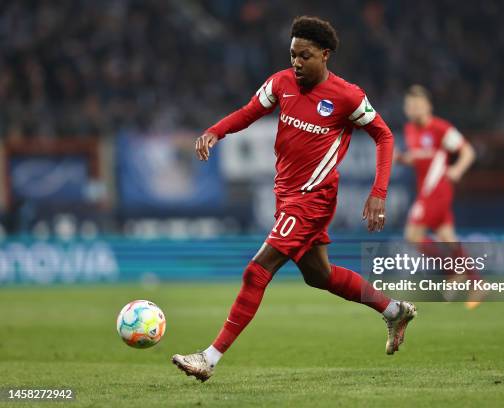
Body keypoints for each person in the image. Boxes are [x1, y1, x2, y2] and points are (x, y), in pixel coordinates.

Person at [172, 16, 416, 382]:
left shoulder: (347, 96)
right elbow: (248, 113)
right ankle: (394, 310)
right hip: (286, 197)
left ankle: (209, 357)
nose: (297, 63)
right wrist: (215, 131)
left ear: (325, 54)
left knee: (256, 271)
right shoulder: (280, 83)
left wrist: (378, 191)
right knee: (320, 276)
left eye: (304, 56)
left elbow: (384, 136)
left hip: (313, 200)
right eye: (292, 55)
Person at [394, 85, 480, 308]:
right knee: (448, 236)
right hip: (425, 189)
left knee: (412, 235)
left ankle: (453, 272)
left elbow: (468, 151)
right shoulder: (410, 129)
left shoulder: (441, 128)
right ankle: (476, 283)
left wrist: (457, 170)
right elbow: (419, 157)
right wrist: (402, 159)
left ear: (428, 106)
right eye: (409, 105)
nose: (413, 109)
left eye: (417, 105)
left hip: (437, 189)